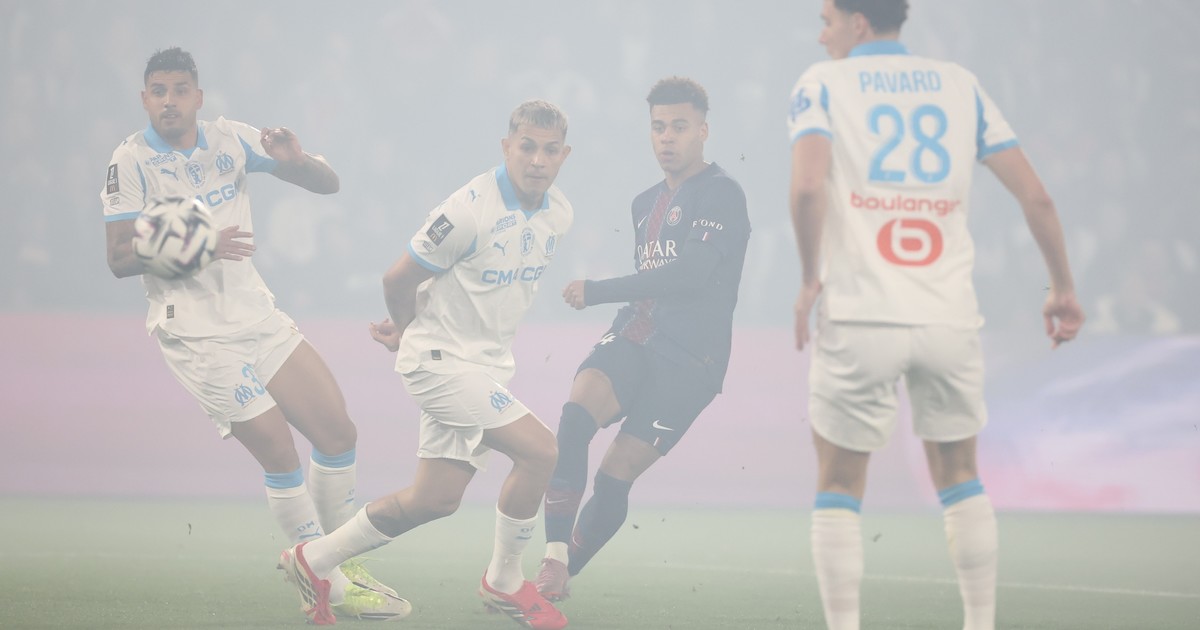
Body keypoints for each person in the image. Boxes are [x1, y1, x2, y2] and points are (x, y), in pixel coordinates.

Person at [787, 2, 1086, 629]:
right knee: (960, 476)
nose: (820, 34)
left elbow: (809, 186)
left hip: (862, 313)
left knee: (839, 482)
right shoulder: (960, 85)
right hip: (948, 316)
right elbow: (1038, 196)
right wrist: (1062, 287)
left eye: (827, 19)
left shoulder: (822, 83)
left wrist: (811, 278)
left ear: (858, 23)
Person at [101, 47, 409, 622]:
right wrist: (200, 243)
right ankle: (325, 581)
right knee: (278, 447)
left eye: (180, 89)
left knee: (338, 433)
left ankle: (337, 560)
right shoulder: (131, 160)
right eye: (159, 91)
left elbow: (329, 184)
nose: (170, 101)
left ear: (198, 95)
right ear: (144, 99)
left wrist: (297, 162)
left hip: (255, 315)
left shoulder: (231, 139)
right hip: (194, 334)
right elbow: (118, 257)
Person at [278, 100, 574, 629]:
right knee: (540, 451)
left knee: (435, 499)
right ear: (506, 147)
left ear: (564, 156)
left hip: (484, 368)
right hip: (439, 364)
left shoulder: (559, 213)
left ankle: (314, 560)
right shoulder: (466, 210)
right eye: (527, 146)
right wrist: (409, 327)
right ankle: (505, 581)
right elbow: (396, 279)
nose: (537, 159)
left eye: (550, 150)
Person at [534, 77, 751, 603]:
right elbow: (654, 283)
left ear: (703, 131)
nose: (667, 137)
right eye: (658, 127)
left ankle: (562, 576)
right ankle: (552, 559)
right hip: (635, 334)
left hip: (691, 362)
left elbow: (691, 276)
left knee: (614, 477)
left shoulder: (721, 193)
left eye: (679, 126)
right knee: (574, 419)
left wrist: (598, 290)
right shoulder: (644, 203)